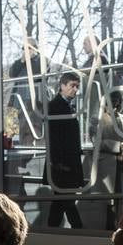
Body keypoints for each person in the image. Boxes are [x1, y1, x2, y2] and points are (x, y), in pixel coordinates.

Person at [46, 73, 85, 229]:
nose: (75, 90)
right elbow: (54, 138)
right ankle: (79, 230)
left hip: (66, 163)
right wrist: (59, 162)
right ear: (62, 86)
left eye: (77, 86)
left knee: (62, 200)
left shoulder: (65, 105)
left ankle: (52, 231)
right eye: (72, 86)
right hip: (63, 164)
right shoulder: (55, 106)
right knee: (66, 200)